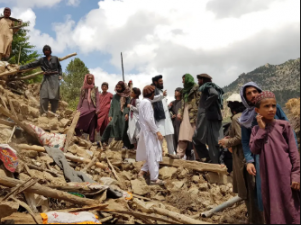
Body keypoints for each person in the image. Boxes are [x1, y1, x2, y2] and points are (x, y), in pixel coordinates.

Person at [239, 82, 298, 216]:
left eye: (255, 91)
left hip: (282, 155)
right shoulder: (245, 118)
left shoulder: (275, 111)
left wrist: (293, 152)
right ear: (245, 97)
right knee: (268, 189)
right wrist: (249, 160)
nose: (253, 95)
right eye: (248, 93)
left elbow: (289, 132)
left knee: (288, 188)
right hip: (261, 157)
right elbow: (245, 140)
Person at [250, 91, 300, 224]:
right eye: (266, 106)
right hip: (268, 178)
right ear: (257, 110)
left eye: (273, 105)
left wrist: (296, 174)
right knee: (272, 208)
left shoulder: (284, 126)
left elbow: (294, 153)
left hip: (286, 175)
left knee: (291, 208)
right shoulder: (255, 130)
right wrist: (262, 129)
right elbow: (255, 149)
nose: (271, 109)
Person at [219, 94, 262, 224]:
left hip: (243, 158)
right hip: (250, 157)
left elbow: (239, 138)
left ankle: (255, 220)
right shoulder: (249, 116)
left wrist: (226, 142)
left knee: (249, 192)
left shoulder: (237, 118)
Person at [19, 45, 62, 115]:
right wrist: (22, 67)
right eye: (45, 51)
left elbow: (59, 67)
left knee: (54, 97)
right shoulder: (42, 60)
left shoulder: (55, 58)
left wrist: (60, 75)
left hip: (54, 78)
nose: (47, 52)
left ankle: (53, 113)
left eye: (48, 51)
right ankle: (43, 113)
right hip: (46, 78)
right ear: (44, 52)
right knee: (44, 95)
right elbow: (31, 64)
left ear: (50, 51)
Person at [193, 73, 224, 164]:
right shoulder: (207, 87)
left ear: (202, 80)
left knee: (212, 142)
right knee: (199, 139)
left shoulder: (207, 86)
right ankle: (209, 159)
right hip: (210, 118)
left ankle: (214, 163)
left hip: (208, 119)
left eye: (199, 80)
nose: (198, 82)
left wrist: (206, 105)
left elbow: (214, 94)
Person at [137, 85, 164, 185]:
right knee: (153, 155)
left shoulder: (143, 102)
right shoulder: (147, 103)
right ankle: (154, 179)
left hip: (146, 132)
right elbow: (149, 119)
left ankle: (142, 172)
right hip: (149, 132)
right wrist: (157, 131)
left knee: (151, 154)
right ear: (151, 94)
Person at [169, 74, 200, 159]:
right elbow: (183, 104)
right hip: (185, 113)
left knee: (196, 137)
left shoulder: (196, 88)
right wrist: (180, 113)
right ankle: (180, 153)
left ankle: (198, 157)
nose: (182, 81)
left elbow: (199, 101)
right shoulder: (185, 91)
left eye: (184, 79)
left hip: (194, 114)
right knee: (183, 134)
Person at [101, 81, 131, 148]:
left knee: (123, 129)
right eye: (117, 87)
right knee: (110, 126)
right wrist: (110, 115)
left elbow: (127, 106)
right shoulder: (115, 96)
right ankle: (103, 141)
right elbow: (112, 106)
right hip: (115, 115)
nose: (118, 88)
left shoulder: (127, 96)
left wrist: (126, 113)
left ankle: (126, 145)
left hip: (123, 115)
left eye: (119, 87)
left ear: (122, 88)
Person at [151, 75, 175, 155]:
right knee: (160, 137)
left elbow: (163, 105)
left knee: (169, 136)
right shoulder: (152, 90)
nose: (162, 83)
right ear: (155, 82)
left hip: (166, 118)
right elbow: (151, 99)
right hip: (159, 118)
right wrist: (162, 96)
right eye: (160, 81)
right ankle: (158, 156)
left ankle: (172, 154)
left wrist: (169, 106)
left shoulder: (161, 91)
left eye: (162, 81)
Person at [75, 74, 99, 143]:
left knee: (92, 123)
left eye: (91, 78)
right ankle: (79, 135)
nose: (90, 79)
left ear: (93, 80)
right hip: (84, 106)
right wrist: (78, 108)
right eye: (89, 78)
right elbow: (80, 99)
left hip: (92, 107)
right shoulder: (83, 88)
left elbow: (97, 99)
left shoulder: (95, 89)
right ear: (86, 79)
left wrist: (97, 109)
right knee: (77, 120)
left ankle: (91, 140)